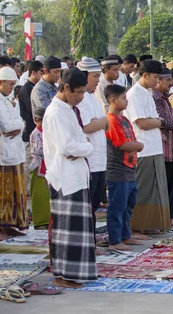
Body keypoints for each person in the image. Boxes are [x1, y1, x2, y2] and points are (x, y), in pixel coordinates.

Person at [43, 68, 96, 288]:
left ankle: (73, 274)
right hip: (64, 177)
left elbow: (79, 141)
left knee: (78, 229)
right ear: (66, 88)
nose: (82, 96)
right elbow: (67, 146)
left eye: (84, 92)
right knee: (66, 230)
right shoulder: (55, 112)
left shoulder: (68, 109)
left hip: (76, 175)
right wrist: (87, 147)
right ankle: (61, 276)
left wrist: (83, 147)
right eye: (79, 92)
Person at [123, 60, 170, 236]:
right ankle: (137, 226)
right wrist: (161, 122)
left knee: (156, 189)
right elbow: (142, 122)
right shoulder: (135, 94)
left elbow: (153, 119)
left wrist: (158, 122)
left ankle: (151, 224)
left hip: (155, 146)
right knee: (143, 190)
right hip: (143, 147)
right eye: (155, 77)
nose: (157, 82)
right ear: (145, 75)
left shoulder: (148, 92)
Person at [104, 84, 144, 250]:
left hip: (129, 167)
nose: (126, 101)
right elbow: (122, 144)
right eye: (123, 98)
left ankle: (125, 235)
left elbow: (132, 139)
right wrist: (139, 146)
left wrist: (136, 145)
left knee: (129, 203)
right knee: (117, 206)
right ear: (113, 100)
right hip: (117, 169)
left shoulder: (124, 120)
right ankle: (114, 239)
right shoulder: (111, 120)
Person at [76, 57, 109, 230]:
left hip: (99, 158)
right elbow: (87, 126)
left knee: (94, 202)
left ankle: (91, 241)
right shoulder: (81, 99)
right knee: (89, 204)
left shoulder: (92, 97)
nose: (98, 80)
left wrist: (102, 121)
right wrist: (104, 121)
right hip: (89, 158)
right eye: (95, 76)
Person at [0, 67, 28, 241]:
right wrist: (17, 125)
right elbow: (7, 126)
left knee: (17, 191)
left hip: (16, 152)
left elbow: (21, 121)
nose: (12, 88)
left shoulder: (8, 100)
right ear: (0, 82)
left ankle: (12, 225)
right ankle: (2, 225)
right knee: (4, 192)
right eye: (9, 84)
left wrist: (18, 126)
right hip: (4, 154)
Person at [152, 68, 173, 225]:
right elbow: (166, 122)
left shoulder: (165, 98)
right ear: (158, 80)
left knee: (172, 184)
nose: (170, 83)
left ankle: (169, 216)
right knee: (164, 185)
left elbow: (169, 121)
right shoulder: (156, 98)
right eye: (167, 80)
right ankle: (165, 217)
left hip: (172, 148)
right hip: (163, 148)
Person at [19, 60, 44, 194]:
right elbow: (34, 111)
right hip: (29, 131)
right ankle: (28, 191)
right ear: (33, 72)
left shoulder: (34, 87)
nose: (43, 75)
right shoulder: (27, 88)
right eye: (41, 72)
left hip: (35, 131)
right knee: (30, 162)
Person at [29, 107, 49, 230]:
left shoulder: (47, 132)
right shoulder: (35, 134)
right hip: (38, 167)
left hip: (48, 167)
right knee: (39, 196)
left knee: (47, 195)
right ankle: (40, 222)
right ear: (37, 120)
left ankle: (48, 220)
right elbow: (40, 150)